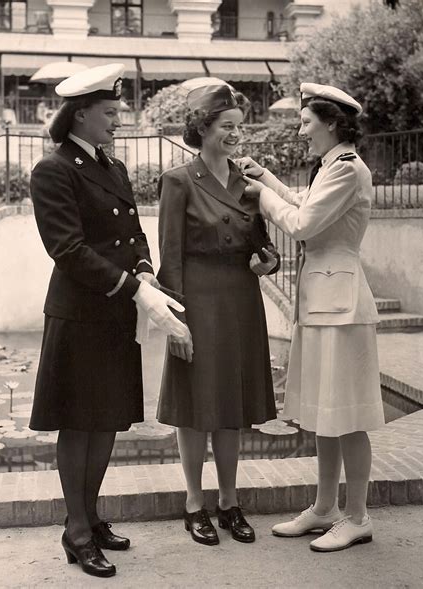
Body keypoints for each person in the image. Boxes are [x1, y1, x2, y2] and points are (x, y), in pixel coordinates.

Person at [28, 63, 189, 578]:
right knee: (78, 423)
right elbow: (67, 250)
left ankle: (91, 517)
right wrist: (134, 287)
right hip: (80, 315)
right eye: (110, 113)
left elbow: (135, 233)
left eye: (118, 111)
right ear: (80, 115)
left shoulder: (112, 167)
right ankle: (75, 531)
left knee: (106, 421)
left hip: (117, 310)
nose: (119, 120)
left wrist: (144, 268)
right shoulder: (54, 169)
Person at [238, 82, 385, 552]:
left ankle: (357, 515)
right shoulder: (331, 167)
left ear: (333, 123)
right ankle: (325, 508)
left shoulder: (346, 169)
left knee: (350, 414)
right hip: (324, 303)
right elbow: (305, 205)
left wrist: (260, 193)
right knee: (325, 413)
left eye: (306, 122)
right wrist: (269, 178)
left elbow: (301, 224)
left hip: (341, 307)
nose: (301, 132)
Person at [156, 83, 280, 546]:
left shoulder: (248, 185)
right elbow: (170, 255)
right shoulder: (178, 180)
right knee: (195, 409)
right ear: (203, 129)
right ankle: (194, 503)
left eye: (238, 128)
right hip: (197, 302)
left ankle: (230, 501)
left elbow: (261, 245)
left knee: (231, 407)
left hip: (240, 302)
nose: (235, 135)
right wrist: (174, 319)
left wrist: (269, 262)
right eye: (227, 127)